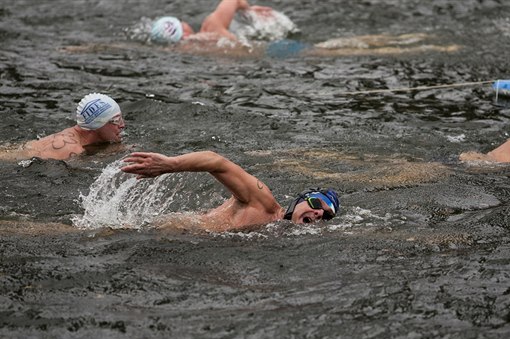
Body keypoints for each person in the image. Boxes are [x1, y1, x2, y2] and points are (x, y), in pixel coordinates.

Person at [120, 150, 340, 231]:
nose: (320, 213)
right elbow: (216, 161)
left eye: (327, 216)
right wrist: (171, 165)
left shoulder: (278, 231)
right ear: (300, 201)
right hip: (151, 231)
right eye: (315, 204)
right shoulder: (263, 202)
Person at [2, 93, 125, 161]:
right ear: (97, 124)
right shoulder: (70, 149)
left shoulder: (78, 136)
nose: (122, 125)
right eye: (116, 121)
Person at [150, 0, 273, 44]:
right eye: (180, 22)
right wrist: (248, 11)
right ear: (184, 32)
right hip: (269, 50)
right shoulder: (211, 26)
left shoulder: (181, 51)